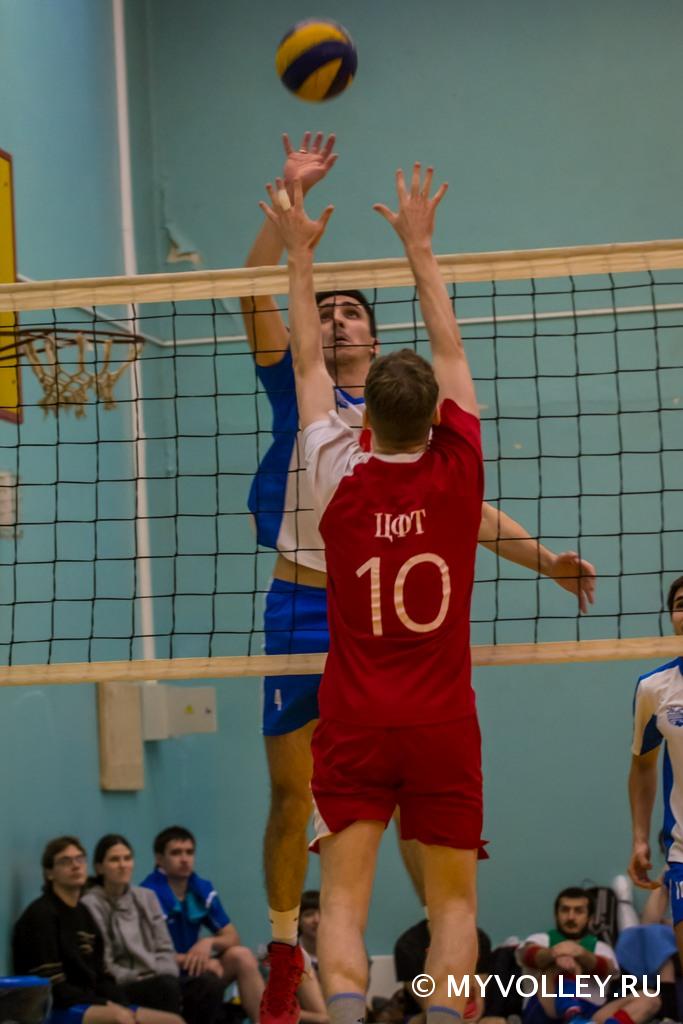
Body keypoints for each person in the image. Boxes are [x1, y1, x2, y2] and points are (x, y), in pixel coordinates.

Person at [241, 132, 597, 1021]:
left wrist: (541, 557)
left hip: (361, 631)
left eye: (352, 310)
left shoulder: (345, 450)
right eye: (325, 308)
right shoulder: (412, 438)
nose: (334, 319)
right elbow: (257, 297)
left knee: (368, 841)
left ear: (374, 339)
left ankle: (408, 975)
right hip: (307, 606)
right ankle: (288, 950)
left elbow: (474, 518)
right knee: (292, 796)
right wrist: (296, 216)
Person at [259, 158, 494, 1024]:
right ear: (437, 418)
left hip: (355, 718)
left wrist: (299, 252)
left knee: (343, 903)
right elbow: (447, 348)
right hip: (441, 722)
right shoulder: (460, 473)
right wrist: (420, 247)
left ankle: (349, 1011)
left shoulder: (332, 472)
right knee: (453, 907)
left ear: (368, 424)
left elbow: (307, 365)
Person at [12, 835, 185, 1024]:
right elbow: (51, 987)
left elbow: (102, 976)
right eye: (65, 861)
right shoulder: (41, 915)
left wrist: (122, 1004)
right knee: (119, 1019)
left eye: (79, 859)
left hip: (88, 1001)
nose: (75, 866)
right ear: (49, 873)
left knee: (173, 1021)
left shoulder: (83, 913)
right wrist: (105, 1005)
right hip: (52, 1008)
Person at [140, 826, 263, 1024]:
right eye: (176, 853)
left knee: (242, 955)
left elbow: (233, 937)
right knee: (207, 980)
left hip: (193, 968)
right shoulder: (147, 894)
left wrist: (209, 943)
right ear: (159, 859)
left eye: (189, 852)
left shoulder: (200, 888)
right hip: (162, 973)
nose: (184, 859)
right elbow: (144, 953)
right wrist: (198, 961)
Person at [628, 574, 683, 968]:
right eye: (680, 605)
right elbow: (643, 765)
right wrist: (640, 838)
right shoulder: (654, 688)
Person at [81, 835, 183, 1016]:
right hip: (122, 983)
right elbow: (105, 964)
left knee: (207, 984)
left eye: (127, 858)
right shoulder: (91, 904)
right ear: (99, 868)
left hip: (157, 975)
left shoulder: (147, 896)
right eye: (115, 860)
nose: (123, 865)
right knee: (166, 988)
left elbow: (165, 948)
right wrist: (139, 976)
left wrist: (161, 972)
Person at [516, 887, 618, 1024]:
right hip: (544, 1012)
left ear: (590, 918)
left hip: (589, 1013)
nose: (571, 917)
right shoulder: (540, 939)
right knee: (565, 961)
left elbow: (608, 970)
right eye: (565, 910)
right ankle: (571, 1013)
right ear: (556, 915)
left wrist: (581, 953)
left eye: (578, 911)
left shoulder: (601, 947)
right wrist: (555, 954)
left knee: (646, 999)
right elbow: (528, 955)